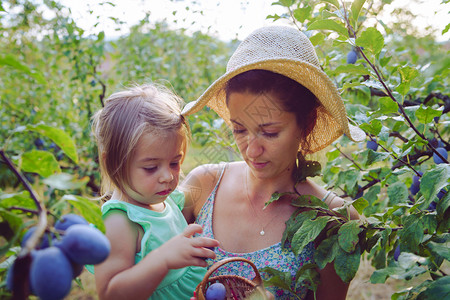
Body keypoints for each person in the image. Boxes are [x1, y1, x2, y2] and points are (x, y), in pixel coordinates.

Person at [180, 26, 365, 299]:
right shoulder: (203, 186)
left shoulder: (335, 221)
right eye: (239, 130)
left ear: (307, 123)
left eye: (269, 132)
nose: (252, 150)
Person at [90, 83, 219, 299]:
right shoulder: (120, 221)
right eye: (151, 168)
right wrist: (163, 259)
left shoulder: (165, 201)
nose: (168, 176)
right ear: (113, 164)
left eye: (175, 163)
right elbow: (110, 294)